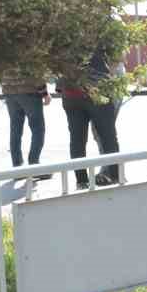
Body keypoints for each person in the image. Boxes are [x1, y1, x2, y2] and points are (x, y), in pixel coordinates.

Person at [58, 46, 123, 188]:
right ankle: (114, 175)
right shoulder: (100, 29)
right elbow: (117, 57)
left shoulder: (62, 30)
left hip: (71, 94)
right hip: (97, 91)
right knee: (108, 136)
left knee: (77, 139)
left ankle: (81, 181)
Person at [0, 73, 49, 178]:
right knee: (38, 129)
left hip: (9, 92)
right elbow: (36, 70)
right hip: (29, 92)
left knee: (15, 130)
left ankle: (17, 167)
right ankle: (34, 165)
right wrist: (44, 93)